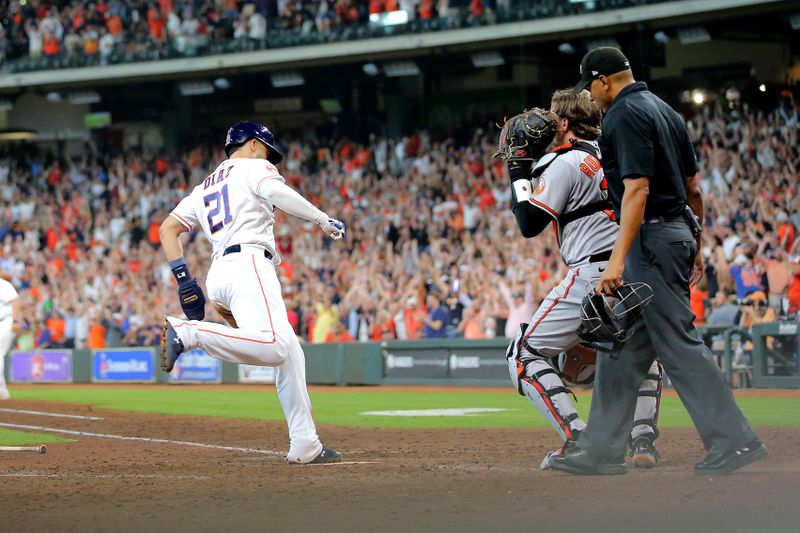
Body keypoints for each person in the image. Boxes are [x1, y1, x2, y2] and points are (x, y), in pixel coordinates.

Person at [549, 47, 765, 475]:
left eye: (590, 87)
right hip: (675, 234)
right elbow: (694, 189)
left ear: (604, 79)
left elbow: (637, 191)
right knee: (622, 346)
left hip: (650, 240)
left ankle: (734, 440)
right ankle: (601, 449)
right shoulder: (664, 111)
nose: (589, 96)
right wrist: (696, 244)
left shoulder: (624, 115)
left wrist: (616, 261)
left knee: (678, 343)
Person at [159, 120, 345, 464]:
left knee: (290, 353)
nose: (272, 160)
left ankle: (305, 445)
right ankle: (189, 333)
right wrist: (320, 217)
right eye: (268, 151)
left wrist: (184, 279)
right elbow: (276, 193)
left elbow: (168, 229)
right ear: (254, 145)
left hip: (220, 276)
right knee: (275, 346)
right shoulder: (254, 167)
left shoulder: (203, 187)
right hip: (248, 265)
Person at [501, 89, 662, 469]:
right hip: (637, 268)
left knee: (523, 353)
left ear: (566, 124)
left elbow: (528, 223)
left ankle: (579, 439)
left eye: (554, 121)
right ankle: (643, 442)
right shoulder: (617, 152)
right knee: (642, 355)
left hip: (593, 273)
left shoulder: (565, 161)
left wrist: (519, 170)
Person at [0, 276, 20, 400]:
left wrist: (16, 320)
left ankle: (3, 391)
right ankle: (2, 390)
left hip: (5, 321)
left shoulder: (4, 284)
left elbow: (15, 300)